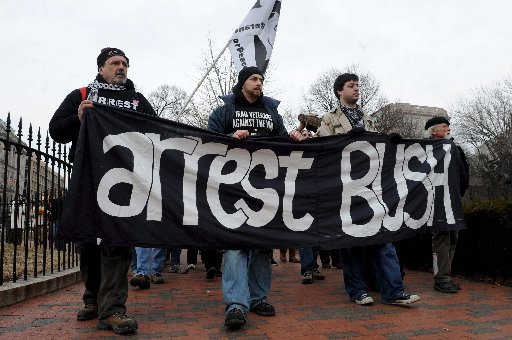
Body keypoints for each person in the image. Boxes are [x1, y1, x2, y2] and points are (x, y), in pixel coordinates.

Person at [49, 47, 156, 335]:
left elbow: (155, 131)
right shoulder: (82, 95)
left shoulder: (137, 101)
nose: (121, 68)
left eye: (124, 64)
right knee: (88, 242)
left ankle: (113, 310)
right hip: (87, 180)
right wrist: (78, 118)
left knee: (117, 241)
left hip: (123, 183)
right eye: (114, 63)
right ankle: (92, 300)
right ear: (101, 69)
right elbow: (55, 130)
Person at [292, 73, 420, 306]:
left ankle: (394, 291)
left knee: (383, 238)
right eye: (351, 86)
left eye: (358, 85)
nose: (356, 89)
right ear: (340, 91)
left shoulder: (368, 119)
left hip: (371, 187)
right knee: (350, 242)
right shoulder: (329, 120)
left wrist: (389, 141)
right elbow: (323, 150)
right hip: (345, 189)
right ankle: (357, 290)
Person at [208, 66, 302, 330]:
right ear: (242, 83)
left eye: (261, 79)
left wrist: (294, 138)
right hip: (232, 187)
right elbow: (208, 140)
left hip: (265, 187)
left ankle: (258, 298)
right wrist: (229, 137)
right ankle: (236, 305)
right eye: (254, 78)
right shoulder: (224, 111)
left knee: (262, 245)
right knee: (236, 247)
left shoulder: (272, 112)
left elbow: (283, 142)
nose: (259, 83)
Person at [424, 116, 469, 293]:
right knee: (441, 238)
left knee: (453, 238)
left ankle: (445, 275)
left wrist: (459, 193)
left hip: (454, 199)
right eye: (444, 126)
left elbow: (463, 172)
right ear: (433, 131)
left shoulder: (454, 148)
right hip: (437, 200)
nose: (448, 129)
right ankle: (441, 278)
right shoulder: (425, 149)